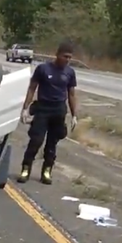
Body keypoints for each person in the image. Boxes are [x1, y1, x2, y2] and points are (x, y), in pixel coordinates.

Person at [16, 42, 79, 185]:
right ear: (57, 55)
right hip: (43, 108)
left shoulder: (70, 73)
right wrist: (25, 108)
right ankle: (25, 169)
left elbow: (72, 94)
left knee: (52, 143)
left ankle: (47, 171)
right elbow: (32, 88)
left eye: (70, 57)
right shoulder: (43, 69)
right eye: (65, 56)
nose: (67, 60)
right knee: (36, 140)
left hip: (59, 110)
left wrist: (74, 115)